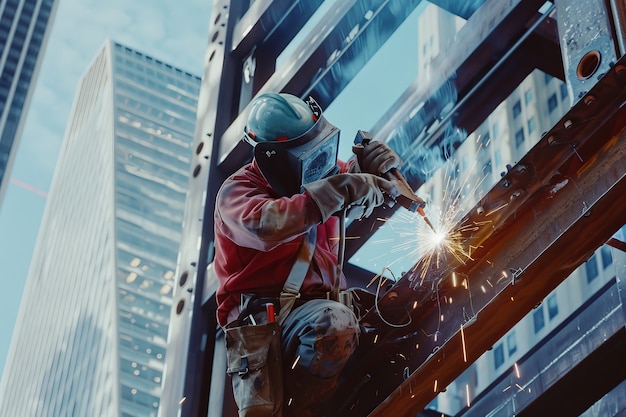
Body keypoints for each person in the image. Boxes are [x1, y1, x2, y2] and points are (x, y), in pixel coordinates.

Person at [214, 92, 401, 417]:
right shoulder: (237, 193)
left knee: (399, 312)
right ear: (273, 157)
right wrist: (344, 187)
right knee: (333, 325)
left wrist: (366, 169)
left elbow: (346, 187)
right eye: (309, 158)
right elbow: (271, 223)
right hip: (279, 332)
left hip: (324, 314)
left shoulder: (317, 177)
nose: (322, 166)